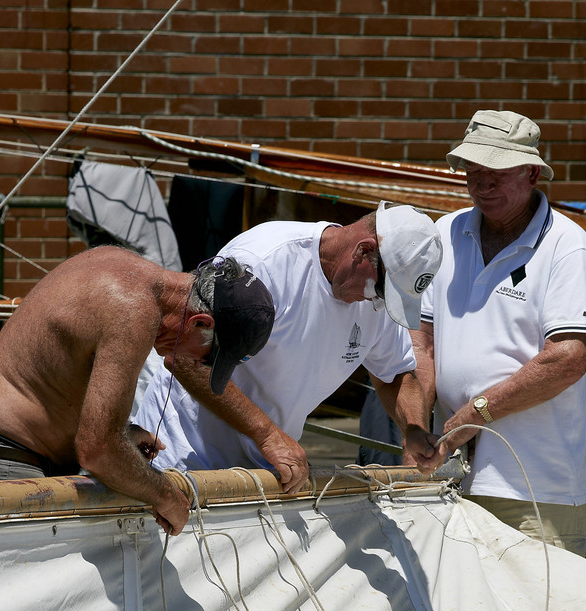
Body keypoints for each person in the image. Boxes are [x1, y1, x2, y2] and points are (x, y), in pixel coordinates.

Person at [0, 250, 275, 535]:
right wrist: (165, 494)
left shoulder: (123, 269)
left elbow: (54, 388)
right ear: (200, 323)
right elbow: (97, 449)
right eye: (208, 357)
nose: (195, 363)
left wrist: (121, 437)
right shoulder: (134, 307)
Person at [132, 203, 445, 488]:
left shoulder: (376, 301)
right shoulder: (262, 261)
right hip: (181, 456)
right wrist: (268, 434)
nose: (375, 302)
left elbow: (397, 375)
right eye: (380, 290)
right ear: (364, 251)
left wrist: (413, 430)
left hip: (266, 475)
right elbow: (185, 357)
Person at [415, 110, 586, 557]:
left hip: (535, 483)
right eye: (473, 171)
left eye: (496, 171)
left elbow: (567, 359)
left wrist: (469, 417)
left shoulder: (567, 245)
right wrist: (417, 426)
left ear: (533, 173)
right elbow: (422, 341)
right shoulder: (446, 231)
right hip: (451, 472)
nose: (482, 184)